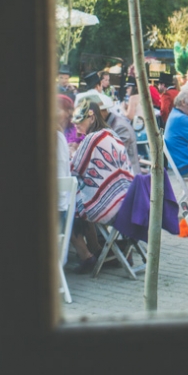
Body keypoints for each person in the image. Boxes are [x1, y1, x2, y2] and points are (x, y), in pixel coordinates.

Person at [70, 98, 135, 272]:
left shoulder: (92, 139)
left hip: (111, 206)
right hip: (128, 201)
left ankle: (86, 256)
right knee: (82, 197)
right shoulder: (110, 134)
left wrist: (71, 152)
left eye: (79, 121)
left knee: (66, 204)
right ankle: (96, 249)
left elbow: (73, 169)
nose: (76, 125)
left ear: (91, 118)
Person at [83, 92, 141, 175]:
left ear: (101, 112)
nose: (89, 119)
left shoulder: (120, 128)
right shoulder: (107, 124)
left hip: (126, 178)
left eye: (90, 115)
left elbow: (113, 157)